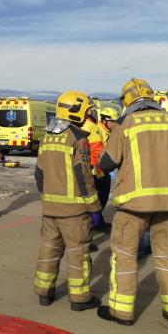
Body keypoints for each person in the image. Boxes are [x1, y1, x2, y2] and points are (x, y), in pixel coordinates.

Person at [96, 78, 168, 327]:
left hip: (133, 205)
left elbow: (106, 163)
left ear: (127, 101)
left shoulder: (125, 124)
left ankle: (122, 312)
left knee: (125, 257)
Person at [32, 91, 102, 311]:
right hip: (73, 211)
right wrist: (94, 206)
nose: (89, 113)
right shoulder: (78, 138)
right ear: (77, 109)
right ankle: (80, 299)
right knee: (78, 254)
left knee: (48, 250)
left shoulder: (46, 136)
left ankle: (44, 293)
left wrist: (47, 198)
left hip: (50, 208)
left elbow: (39, 173)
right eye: (87, 109)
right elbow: (83, 175)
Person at [88, 107, 119, 230]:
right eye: (113, 121)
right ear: (105, 120)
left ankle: (98, 220)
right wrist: (102, 169)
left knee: (103, 197)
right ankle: (94, 223)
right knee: (98, 197)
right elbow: (96, 151)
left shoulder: (108, 131)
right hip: (97, 170)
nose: (115, 124)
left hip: (103, 169)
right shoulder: (97, 130)